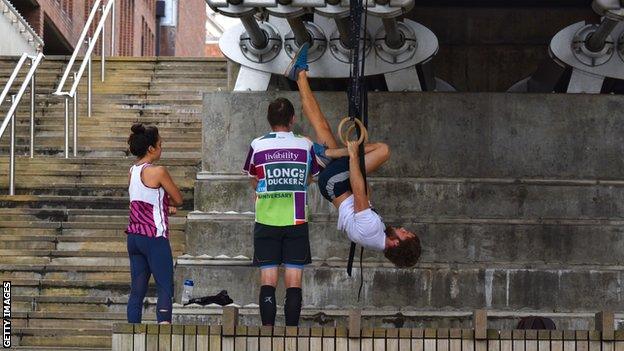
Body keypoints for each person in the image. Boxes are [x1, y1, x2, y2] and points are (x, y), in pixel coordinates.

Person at [285, 44, 421, 268]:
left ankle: (328, 153)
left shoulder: (372, 230)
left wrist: (352, 156)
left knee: (382, 150)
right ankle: (299, 75)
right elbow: (363, 195)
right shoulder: (375, 237)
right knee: (323, 127)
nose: (403, 228)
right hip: (337, 185)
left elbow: (358, 190)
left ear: (396, 244)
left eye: (405, 233)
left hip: (335, 184)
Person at [242, 92, 320, 326]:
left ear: (269, 119)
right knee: (294, 280)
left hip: (266, 218)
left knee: (268, 278)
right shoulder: (305, 145)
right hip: (296, 219)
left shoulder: (258, 144)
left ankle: (267, 333)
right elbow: (313, 176)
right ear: (293, 119)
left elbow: (253, 177)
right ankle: (292, 333)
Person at [125, 123, 183, 324]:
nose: (161, 147)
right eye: (160, 144)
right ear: (151, 148)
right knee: (164, 286)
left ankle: (131, 336)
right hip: (154, 237)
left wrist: (164, 208)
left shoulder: (132, 171)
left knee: (137, 291)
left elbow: (143, 201)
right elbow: (178, 199)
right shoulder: (158, 171)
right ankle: (164, 333)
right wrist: (169, 205)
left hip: (134, 237)